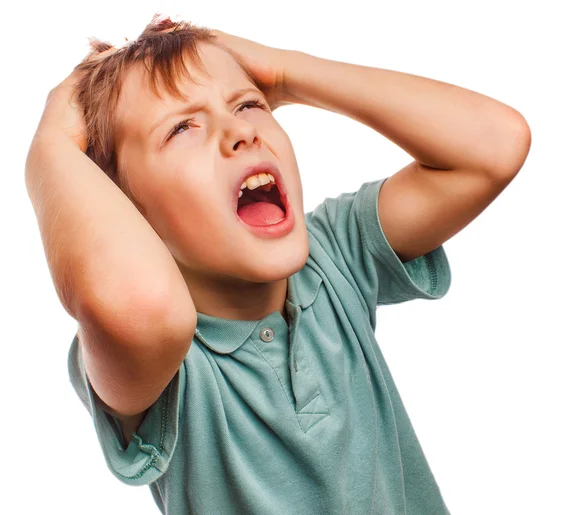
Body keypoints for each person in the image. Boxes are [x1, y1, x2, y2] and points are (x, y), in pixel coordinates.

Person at [24, 12, 530, 515]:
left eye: (248, 104)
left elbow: (494, 145)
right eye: (182, 128)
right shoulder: (161, 365)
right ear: (122, 210)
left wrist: (285, 72)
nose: (240, 133)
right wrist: (49, 149)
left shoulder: (335, 256)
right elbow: (146, 306)